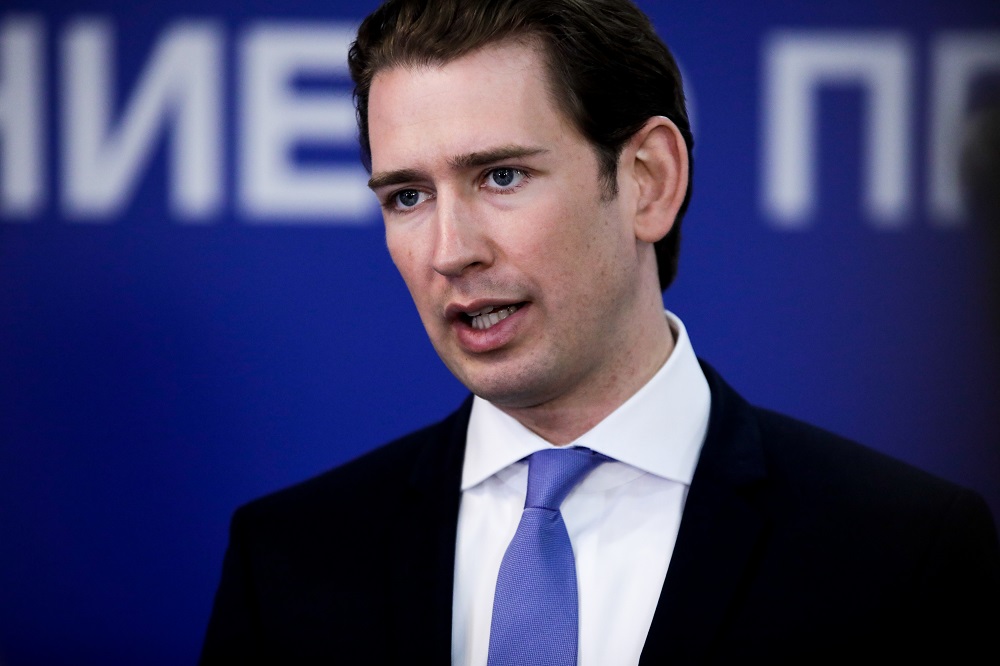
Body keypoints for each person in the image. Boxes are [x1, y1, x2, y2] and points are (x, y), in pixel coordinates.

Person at [201, 0, 1000, 663]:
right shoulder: (289, 559)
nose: (450, 252)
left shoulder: (902, 553)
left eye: (501, 176)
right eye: (408, 196)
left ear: (649, 181)